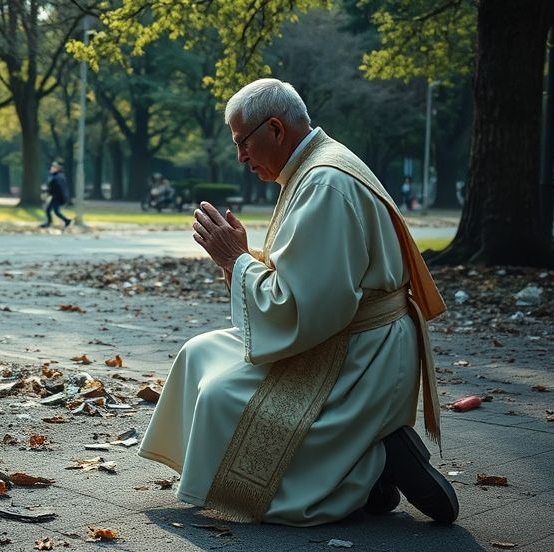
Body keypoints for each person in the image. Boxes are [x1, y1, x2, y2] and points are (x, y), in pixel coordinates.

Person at [137, 78, 456, 527]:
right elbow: (311, 276)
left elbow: (308, 310)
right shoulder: (313, 168)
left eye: (242, 143)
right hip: (341, 332)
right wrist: (245, 261)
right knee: (199, 353)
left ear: (275, 128)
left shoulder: (324, 182)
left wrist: (236, 260)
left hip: (358, 353)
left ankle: (370, 462)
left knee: (221, 395)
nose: (240, 157)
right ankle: (365, 468)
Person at [40, 160, 72, 228]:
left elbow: (55, 188)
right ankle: (66, 221)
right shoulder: (57, 176)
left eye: (53, 167)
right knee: (53, 210)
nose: (51, 168)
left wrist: (46, 190)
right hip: (57, 197)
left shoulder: (57, 177)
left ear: (57, 169)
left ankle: (50, 222)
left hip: (57, 197)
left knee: (51, 210)